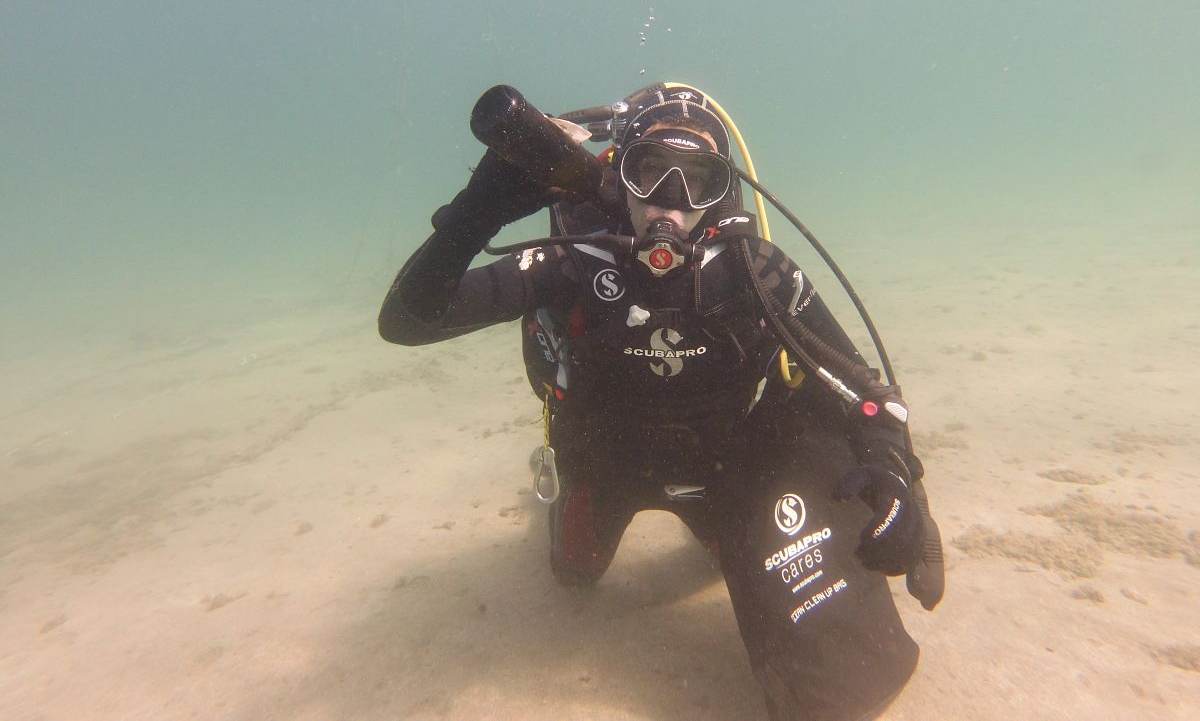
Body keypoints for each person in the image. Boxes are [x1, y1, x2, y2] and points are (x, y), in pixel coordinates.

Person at [379, 83, 943, 720]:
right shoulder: (571, 265)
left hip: (719, 475)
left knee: (743, 562)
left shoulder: (757, 272)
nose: (670, 205)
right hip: (601, 464)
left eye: (697, 181)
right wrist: (478, 211)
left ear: (722, 193)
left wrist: (895, 476)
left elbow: (858, 388)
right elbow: (409, 321)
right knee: (574, 576)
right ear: (620, 178)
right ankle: (573, 501)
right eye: (650, 172)